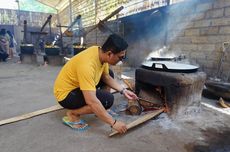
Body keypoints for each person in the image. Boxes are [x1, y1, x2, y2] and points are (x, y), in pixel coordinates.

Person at [53, 34, 138, 134]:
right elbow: (91, 101)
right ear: (110, 54)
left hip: (77, 85)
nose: (122, 60)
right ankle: (73, 114)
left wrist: (123, 91)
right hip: (66, 95)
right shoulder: (87, 66)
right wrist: (113, 123)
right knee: (107, 100)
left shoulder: (99, 52)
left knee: (109, 73)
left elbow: (106, 77)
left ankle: (101, 109)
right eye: (120, 57)